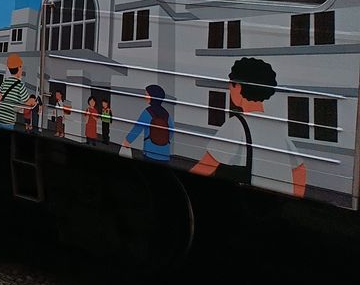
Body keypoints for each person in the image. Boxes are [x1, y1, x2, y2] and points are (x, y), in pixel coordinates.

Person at [189, 58, 306, 197]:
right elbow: (299, 170)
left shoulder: (236, 125)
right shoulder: (274, 126)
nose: (230, 90)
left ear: (238, 87)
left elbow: (206, 166)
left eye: (231, 85)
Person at [120, 85, 171, 162]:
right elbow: (171, 132)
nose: (145, 97)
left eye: (147, 95)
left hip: (150, 152)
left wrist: (127, 141)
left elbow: (137, 129)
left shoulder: (147, 112)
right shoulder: (167, 114)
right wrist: (162, 139)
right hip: (165, 154)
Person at [0, 53, 29, 130]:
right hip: (8, 119)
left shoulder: (5, 81)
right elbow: (27, 102)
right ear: (19, 68)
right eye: (21, 67)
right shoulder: (20, 84)